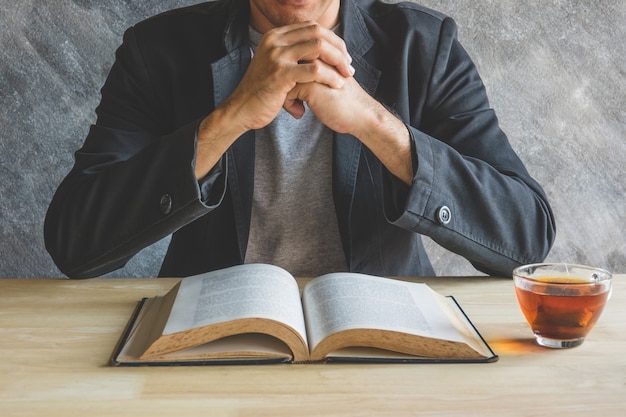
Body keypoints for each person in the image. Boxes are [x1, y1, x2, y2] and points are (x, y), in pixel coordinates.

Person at [44, 0, 556, 279]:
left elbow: (525, 237)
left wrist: (373, 123)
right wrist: (229, 119)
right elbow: (76, 244)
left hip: (385, 347)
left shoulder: (425, 46)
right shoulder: (158, 51)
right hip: (212, 346)